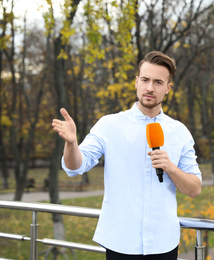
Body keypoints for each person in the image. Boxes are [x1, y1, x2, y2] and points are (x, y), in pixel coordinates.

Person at [52, 51, 202, 259]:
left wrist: (170, 168)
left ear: (168, 88)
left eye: (158, 82)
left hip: (163, 244)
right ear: (136, 82)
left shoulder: (180, 132)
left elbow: (194, 188)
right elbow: (76, 166)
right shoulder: (109, 124)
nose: (150, 88)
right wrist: (71, 143)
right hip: (121, 243)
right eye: (145, 80)